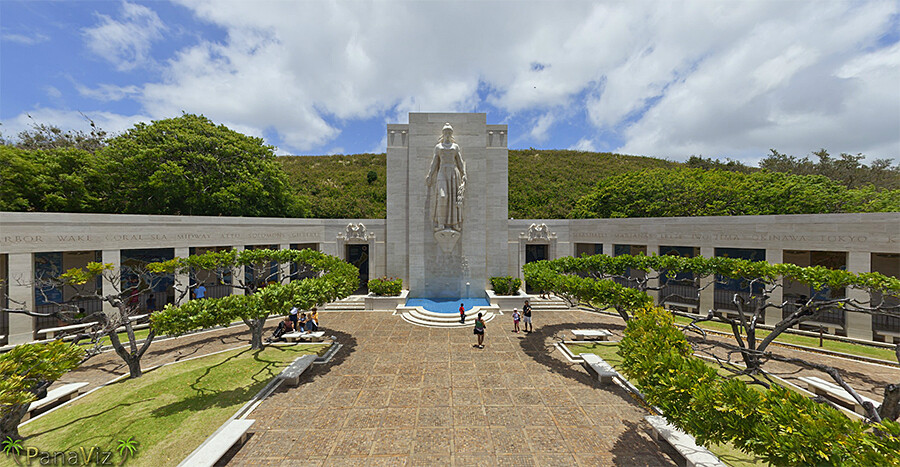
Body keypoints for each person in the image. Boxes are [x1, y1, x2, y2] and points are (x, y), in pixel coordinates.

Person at [425, 123, 467, 232]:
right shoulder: (438, 147)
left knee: (454, 199)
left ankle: (455, 223)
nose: (447, 134)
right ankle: (440, 223)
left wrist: (464, 173)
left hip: (453, 173)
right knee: (442, 197)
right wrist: (430, 175)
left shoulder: (455, 147)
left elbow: (460, 161)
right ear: (443, 134)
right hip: (442, 172)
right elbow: (434, 162)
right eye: (446, 132)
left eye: (449, 132)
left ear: (451, 134)